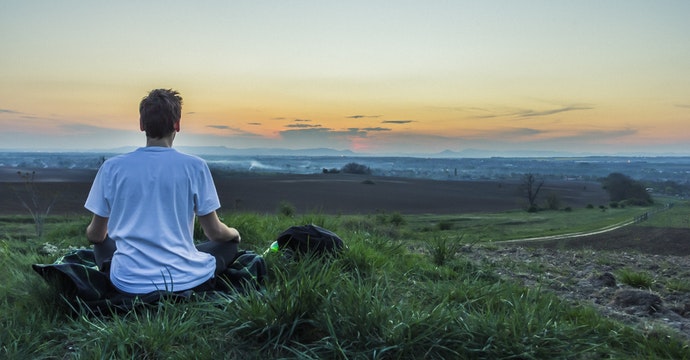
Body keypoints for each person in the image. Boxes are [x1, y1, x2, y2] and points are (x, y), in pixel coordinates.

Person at [84, 88, 241, 295]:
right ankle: (185, 262)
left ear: (142, 125)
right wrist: (234, 234)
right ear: (177, 124)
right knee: (228, 245)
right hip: (185, 279)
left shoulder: (112, 168)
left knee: (102, 243)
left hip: (128, 282)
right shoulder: (195, 166)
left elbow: (95, 235)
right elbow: (214, 233)